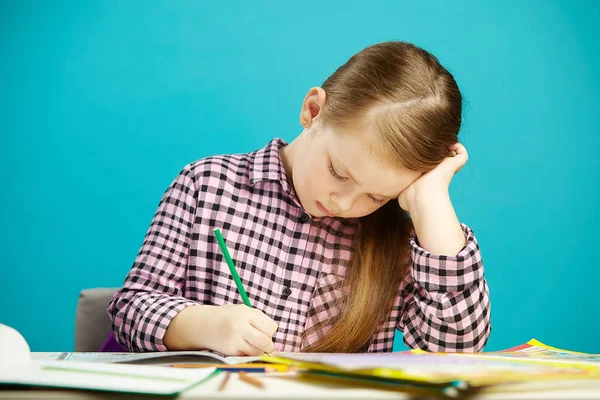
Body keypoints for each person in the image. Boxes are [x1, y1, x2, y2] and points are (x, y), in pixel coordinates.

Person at [107, 41, 491, 355]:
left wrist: (432, 199)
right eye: (338, 172)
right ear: (312, 111)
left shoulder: (402, 241)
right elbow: (131, 309)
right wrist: (202, 325)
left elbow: (458, 349)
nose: (344, 203)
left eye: (376, 195)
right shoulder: (205, 185)